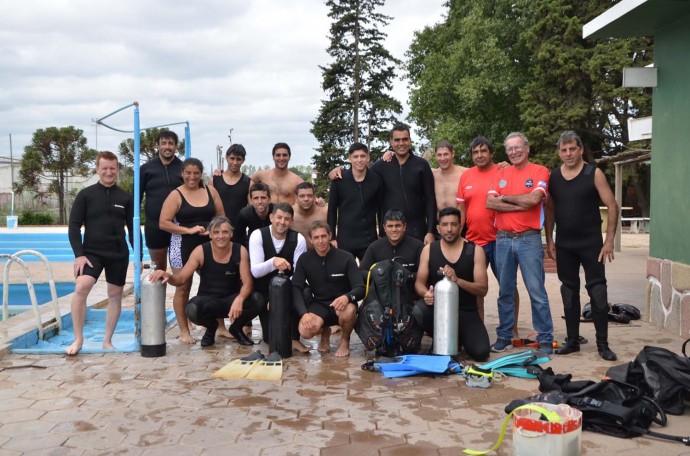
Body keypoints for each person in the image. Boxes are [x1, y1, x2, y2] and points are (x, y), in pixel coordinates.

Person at [545, 131, 618, 361]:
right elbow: (550, 210)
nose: (568, 154)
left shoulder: (593, 173)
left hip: (591, 243)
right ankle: (573, 341)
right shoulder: (554, 177)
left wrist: (609, 241)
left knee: (598, 291)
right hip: (565, 243)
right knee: (568, 291)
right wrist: (549, 240)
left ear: (581, 149)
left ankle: (602, 344)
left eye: (572, 149)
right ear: (559, 152)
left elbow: (612, 205)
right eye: (564, 150)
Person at [486, 132, 554, 353]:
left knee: (536, 291)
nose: (514, 152)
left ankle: (545, 338)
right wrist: (521, 202)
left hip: (529, 239)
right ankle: (505, 335)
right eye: (510, 149)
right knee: (505, 290)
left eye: (518, 148)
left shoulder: (540, 171)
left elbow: (535, 199)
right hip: (503, 238)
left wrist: (505, 198)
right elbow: (490, 202)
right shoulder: (501, 173)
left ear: (527, 148)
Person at [148, 216, 263, 347]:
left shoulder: (240, 250)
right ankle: (211, 327)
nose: (221, 236)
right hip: (209, 302)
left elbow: (248, 282)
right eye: (216, 232)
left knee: (258, 299)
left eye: (225, 232)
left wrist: (240, 299)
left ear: (231, 233)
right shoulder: (200, 251)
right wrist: (167, 275)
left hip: (232, 301)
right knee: (192, 309)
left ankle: (236, 328)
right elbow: (181, 279)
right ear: (210, 235)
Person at [66, 151, 137, 355]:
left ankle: (107, 340)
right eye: (104, 168)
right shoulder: (86, 195)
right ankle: (78, 338)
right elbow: (74, 226)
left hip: (117, 254)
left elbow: (133, 230)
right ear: (97, 169)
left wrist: (138, 257)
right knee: (82, 287)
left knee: (115, 295)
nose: (108, 172)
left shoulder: (125, 197)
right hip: (91, 253)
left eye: (112, 168)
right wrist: (79, 254)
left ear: (117, 169)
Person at [330, 124, 436, 244]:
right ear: (391, 142)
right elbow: (360, 171)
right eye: (397, 140)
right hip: (390, 232)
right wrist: (339, 170)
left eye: (405, 139)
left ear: (410, 141)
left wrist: (430, 231)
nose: (401, 143)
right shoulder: (381, 166)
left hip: (418, 230)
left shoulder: (421, 165)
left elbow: (430, 199)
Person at [457, 136, 520, 333]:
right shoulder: (466, 176)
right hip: (475, 242)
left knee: (507, 285)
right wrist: (459, 236)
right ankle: (478, 328)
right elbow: (461, 209)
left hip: (501, 239)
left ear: (491, 153)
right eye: (475, 152)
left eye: (483, 151)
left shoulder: (503, 170)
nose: (479, 155)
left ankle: (512, 327)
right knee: (476, 288)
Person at [159, 158, 224, 344]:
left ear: (201, 173)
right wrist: (188, 230)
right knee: (183, 287)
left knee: (215, 285)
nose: (192, 177)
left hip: (208, 245)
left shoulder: (210, 191)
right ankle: (184, 331)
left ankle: (219, 326)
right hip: (182, 245)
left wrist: (213, 230)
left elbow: (221, 215)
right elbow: (164, 223)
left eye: (196, 173)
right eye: (188, 173)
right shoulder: (176, 195)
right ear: (182, 173)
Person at [413, 207, 490, 361]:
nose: (449, 229)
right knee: (417, 311)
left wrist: (457, 280)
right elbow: (419, 284)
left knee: (481, 353)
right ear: (438, 228)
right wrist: (425, 294)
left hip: (466, 311)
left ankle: (459, 336)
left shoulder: (475, 251)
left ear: (461, 227)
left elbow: (483, 289)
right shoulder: (429, 250)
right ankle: (438, 337)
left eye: (454, 224)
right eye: (445, 224)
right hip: (438, 311)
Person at [292, 221, 365, 357]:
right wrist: (304, 313)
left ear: (330, 235)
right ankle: (325, 332)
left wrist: (347, 297)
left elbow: (360, 288)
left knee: (349, 312)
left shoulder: (346, 257)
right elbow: (296, 288)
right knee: (305, 331)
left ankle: (345, 340)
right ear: (310, 240)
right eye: (316, 237)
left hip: (342, 305)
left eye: (323, 236)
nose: (321, 241)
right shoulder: (305, 259)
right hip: (320, 305)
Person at [248, 203, 309, 352]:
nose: (282, 222)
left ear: (292, 221)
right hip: (264, 290)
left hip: (289, 288)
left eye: (287, 219)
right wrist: (273, 262)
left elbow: (299, 275)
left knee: (305, 292)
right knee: (271, 339)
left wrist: (280, 297)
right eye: (279, 217)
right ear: (271, 218)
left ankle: (295, 338)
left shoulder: (298, 239)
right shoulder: (258, 235)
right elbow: (255, 271)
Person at [327, 142, 382, 261]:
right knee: (344, 276)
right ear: (349, 158)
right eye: (355, 157)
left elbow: (381, 209)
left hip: (369, 239)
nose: (359, 160)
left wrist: (382, 234)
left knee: (370, 275)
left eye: (363, 156)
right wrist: (331, 237)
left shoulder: (376, 179)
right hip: (345, 239)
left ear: (368, 157)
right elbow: (332, 210)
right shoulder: (339, 180)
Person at [139, 130, 184, 271]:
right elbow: (136, 198)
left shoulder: (183, 168)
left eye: (171, 143)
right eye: (163, 143)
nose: (167, 146)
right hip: (155, 227)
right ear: (157, 145)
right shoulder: (146, 169)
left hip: (179, 226)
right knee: (158, 270)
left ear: (176, 146)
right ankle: (158, 294)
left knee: (180, 270)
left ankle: (181, 293)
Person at [359, 209, 424, 282]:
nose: (394, 229)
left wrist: (406, 275)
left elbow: (425, 273)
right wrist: (381, 275)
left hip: (410, 289)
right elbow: (362, 272)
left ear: (404, 226)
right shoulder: (374, 247)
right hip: (383, 290)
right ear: (384, 228)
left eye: (398, 225)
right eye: (390, 226)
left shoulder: (418, 246)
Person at [208, 144, 251, 227]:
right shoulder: (214, 180)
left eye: (238, 159)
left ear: (243, 160)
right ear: (227, 157)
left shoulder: (248, 182)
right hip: (218, 229)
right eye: (232, 158)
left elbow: (252, 209)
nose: (235, 162)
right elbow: (208, 206)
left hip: (239, 230)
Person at [233, 183, 274, 248]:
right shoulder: (244, 214)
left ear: (269, 199)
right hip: (253, 244)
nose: (260, 201)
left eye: (263, 198)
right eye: (256, 198)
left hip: (273, 244)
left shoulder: (276, 212)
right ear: (251, 200)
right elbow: (237, 238)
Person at [292, 182, 328, 248]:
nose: (306, 199)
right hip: (295, 255)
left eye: (309, 196)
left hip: (320, 254)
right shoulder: (290, 213)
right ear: (296, 198)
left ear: (314, 197)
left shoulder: (325, 212)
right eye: (302, 196)